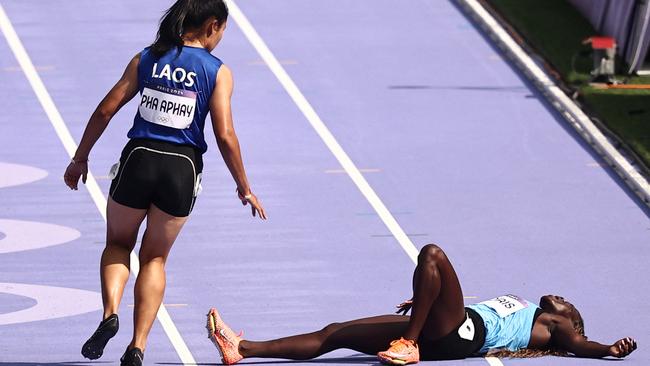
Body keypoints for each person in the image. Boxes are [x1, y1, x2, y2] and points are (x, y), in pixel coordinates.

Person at [63, 1, 266, 365]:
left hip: (138, 159)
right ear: (212, 26)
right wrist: (243, 185)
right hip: (181, 170)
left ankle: (110, 313)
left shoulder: (146, 58)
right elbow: (225, 134)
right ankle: (137, 345)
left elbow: (105, 109)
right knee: (154, 258)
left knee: (118, 243)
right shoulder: (218, 71)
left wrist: (80, 158)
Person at [206, 244, 637, 364]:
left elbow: (580, 346)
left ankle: (408, 344)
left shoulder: (557, 327)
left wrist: (607, 350)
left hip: (460, 334)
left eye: (567, 301)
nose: (560, 296)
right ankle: (242, 349)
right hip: (449, 329)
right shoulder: (525, 308)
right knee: (335, 333)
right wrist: (428, 297)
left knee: (433, 254)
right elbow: (465, 302)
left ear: (569, 319)